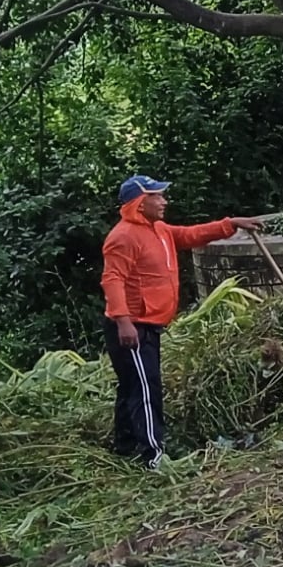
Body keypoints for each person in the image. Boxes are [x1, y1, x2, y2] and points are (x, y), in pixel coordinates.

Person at [99, 175, 263, 469]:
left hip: (147, 323)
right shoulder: (122, 237)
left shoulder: (158, 229)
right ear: (139, 203)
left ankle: (125, 448)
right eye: (157, 196)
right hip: (133, 326)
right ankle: (153, 456)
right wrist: (123, 321)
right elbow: (112, 279)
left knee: (132, 386)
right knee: (146, 389)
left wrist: (231, 224)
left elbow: (189, 235)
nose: (164, 201)